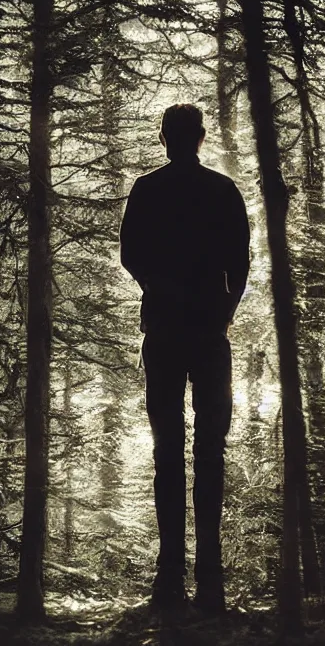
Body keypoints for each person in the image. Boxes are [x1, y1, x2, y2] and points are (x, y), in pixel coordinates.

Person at [120, 104, 250, 614]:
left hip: (165, 330)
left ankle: (169, 579)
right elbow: (240, 259)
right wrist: (223, 309)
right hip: (208, 332)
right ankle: (210, 581)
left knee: (167, 450)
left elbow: (130, 253)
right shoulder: (222, 190)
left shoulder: (147, 189)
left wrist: (156, 288)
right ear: (199, 137)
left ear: (163, 138)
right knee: (208, 451)